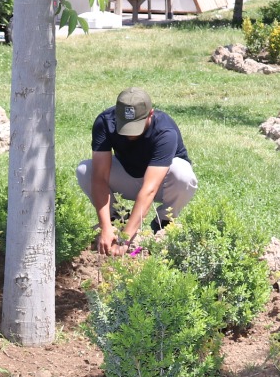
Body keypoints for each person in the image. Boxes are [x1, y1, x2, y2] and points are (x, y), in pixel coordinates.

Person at [77, 87, 197, 255]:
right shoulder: (105, 122)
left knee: (183, 175)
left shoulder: (165, 131)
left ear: (150, 114)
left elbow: (149, 189)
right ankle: (116, 219)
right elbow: (99, 178)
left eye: (136, 126)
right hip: (128, 175)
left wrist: (124, 240)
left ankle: (163, 222)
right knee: (85, 170)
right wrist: (105, 226)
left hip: (163, 184)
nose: (130, 134)